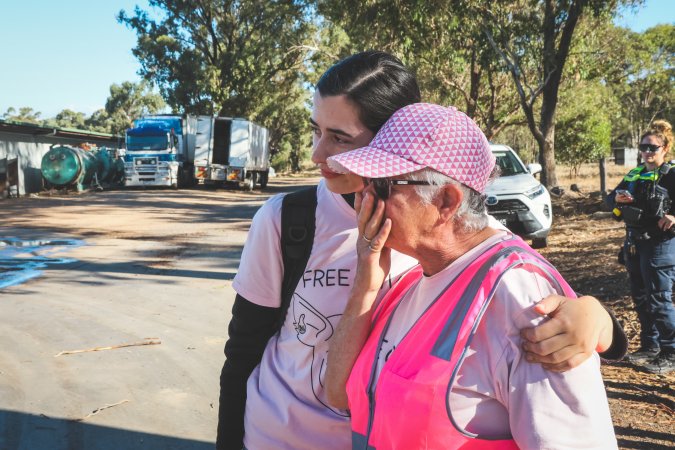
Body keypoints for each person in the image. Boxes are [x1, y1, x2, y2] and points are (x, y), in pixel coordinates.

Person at [217, 52, 624, 450]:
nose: (317, 154)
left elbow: (514, 274)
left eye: (340, 138)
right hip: (279, 433)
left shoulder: (449, 238)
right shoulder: (294, 221)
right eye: (316, 131)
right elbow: (250, 352)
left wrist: (599, 320)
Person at [324, 103, 618, 449]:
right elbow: (341, 394)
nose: (363, 196)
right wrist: (367, 276)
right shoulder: (408, 278)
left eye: (382, 185)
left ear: (446, 201)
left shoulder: (522, 298)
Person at [607, 120, 675, 375]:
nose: (647, 151)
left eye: (653, 147)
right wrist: (616, 199)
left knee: (659, 299)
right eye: (643, 146)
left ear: (665, 148)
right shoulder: (635, 174)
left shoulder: (671, 174)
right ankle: (651, 345)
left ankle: (671, 350)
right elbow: (609, 201)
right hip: (635, 243)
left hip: (661, 245)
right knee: (641, 297)